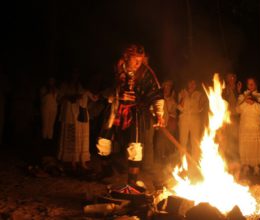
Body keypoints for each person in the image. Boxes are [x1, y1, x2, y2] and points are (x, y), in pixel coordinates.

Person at [96, 44, 164, 186]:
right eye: (135, 60)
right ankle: (106, 170)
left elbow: (156, 95)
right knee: (103, 141)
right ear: (126, 58)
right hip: (115, 108)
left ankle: (132, 182)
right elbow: (102, 90)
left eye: (141, 60)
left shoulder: (146, 73)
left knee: (136, 145)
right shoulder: (116, 69)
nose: (139, 63)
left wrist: (159, 114)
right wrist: (117, 94)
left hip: (136, 111)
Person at [58, 69, 97, 171]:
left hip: (79, 114)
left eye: (77, 74)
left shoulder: (80, 87)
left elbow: (92, 98)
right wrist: (70, 97)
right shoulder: (65, 86)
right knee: (71, 134)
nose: (75, 77)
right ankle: (70, 160)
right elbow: (60, 98)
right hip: (68, 113)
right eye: (73, 74)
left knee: (79, 137)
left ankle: (80, 160)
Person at [236, 77, 260, 176]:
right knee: (245, 146)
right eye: (248, 84)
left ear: (256, 85)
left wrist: (254, 102)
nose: (250, 86)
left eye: (252, 84)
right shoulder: (242, 96)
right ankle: (246, 166)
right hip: (245, 125)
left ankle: (256, 167)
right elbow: (238, 110)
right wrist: (245, 101)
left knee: (255, 146)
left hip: (255, 125)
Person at [178, 79, 206, 162]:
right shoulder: (182, 92)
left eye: (194, 83)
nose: (192, 85)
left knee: (195, 142)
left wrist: (202, 103)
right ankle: (183, 162)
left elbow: (200, 109)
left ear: (196, 85)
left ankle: (195, 161)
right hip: (184, 118)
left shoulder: (199, 94)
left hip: (195, 119)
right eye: (190, 83)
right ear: (187, 84)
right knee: (183, 141)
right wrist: (183, 98)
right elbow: (180, 108)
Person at [221, 73, 242, 165]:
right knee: (228, 139)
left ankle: (237, 161)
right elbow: (222, 101)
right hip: (228, 117)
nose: (231, 80)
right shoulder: (224, 90)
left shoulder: (238, 90)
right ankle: (228, 161)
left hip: (236, 116)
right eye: (229, 78)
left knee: (236, 139)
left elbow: (240, 101)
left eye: (233, 78)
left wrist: (238, 91)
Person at [40, 77, 58, 141]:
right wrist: (47, 93)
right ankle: (44, 139)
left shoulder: (55, 89)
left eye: (52, 80)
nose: (51, 82)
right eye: (50, 80)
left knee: (51, 125)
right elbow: (41, 99)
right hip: (45, 108)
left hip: (53, 109)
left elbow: (56, 99)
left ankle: (49, 139)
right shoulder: (43, 89)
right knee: (45, 125)